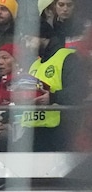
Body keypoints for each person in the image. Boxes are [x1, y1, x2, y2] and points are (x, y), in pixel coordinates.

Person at [20, 20, 89, 151]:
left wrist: (52, 98)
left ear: (43, 36)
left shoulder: (67, 58)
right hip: (31, 131)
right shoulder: (35, 65)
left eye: (29, 40)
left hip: (59, 132)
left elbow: (81, 89)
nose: (27, 46)